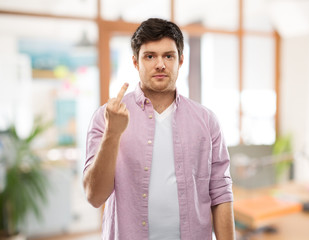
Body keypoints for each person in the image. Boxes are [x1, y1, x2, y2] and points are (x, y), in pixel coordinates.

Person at [83, 18, 235, 240]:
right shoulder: (107, 116)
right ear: (135, 62)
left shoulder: (207, 121)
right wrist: (112, 133)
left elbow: (221, 193)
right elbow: (94, 197)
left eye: (168, 56)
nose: (160, 64)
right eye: (150, 56)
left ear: (180, 60)